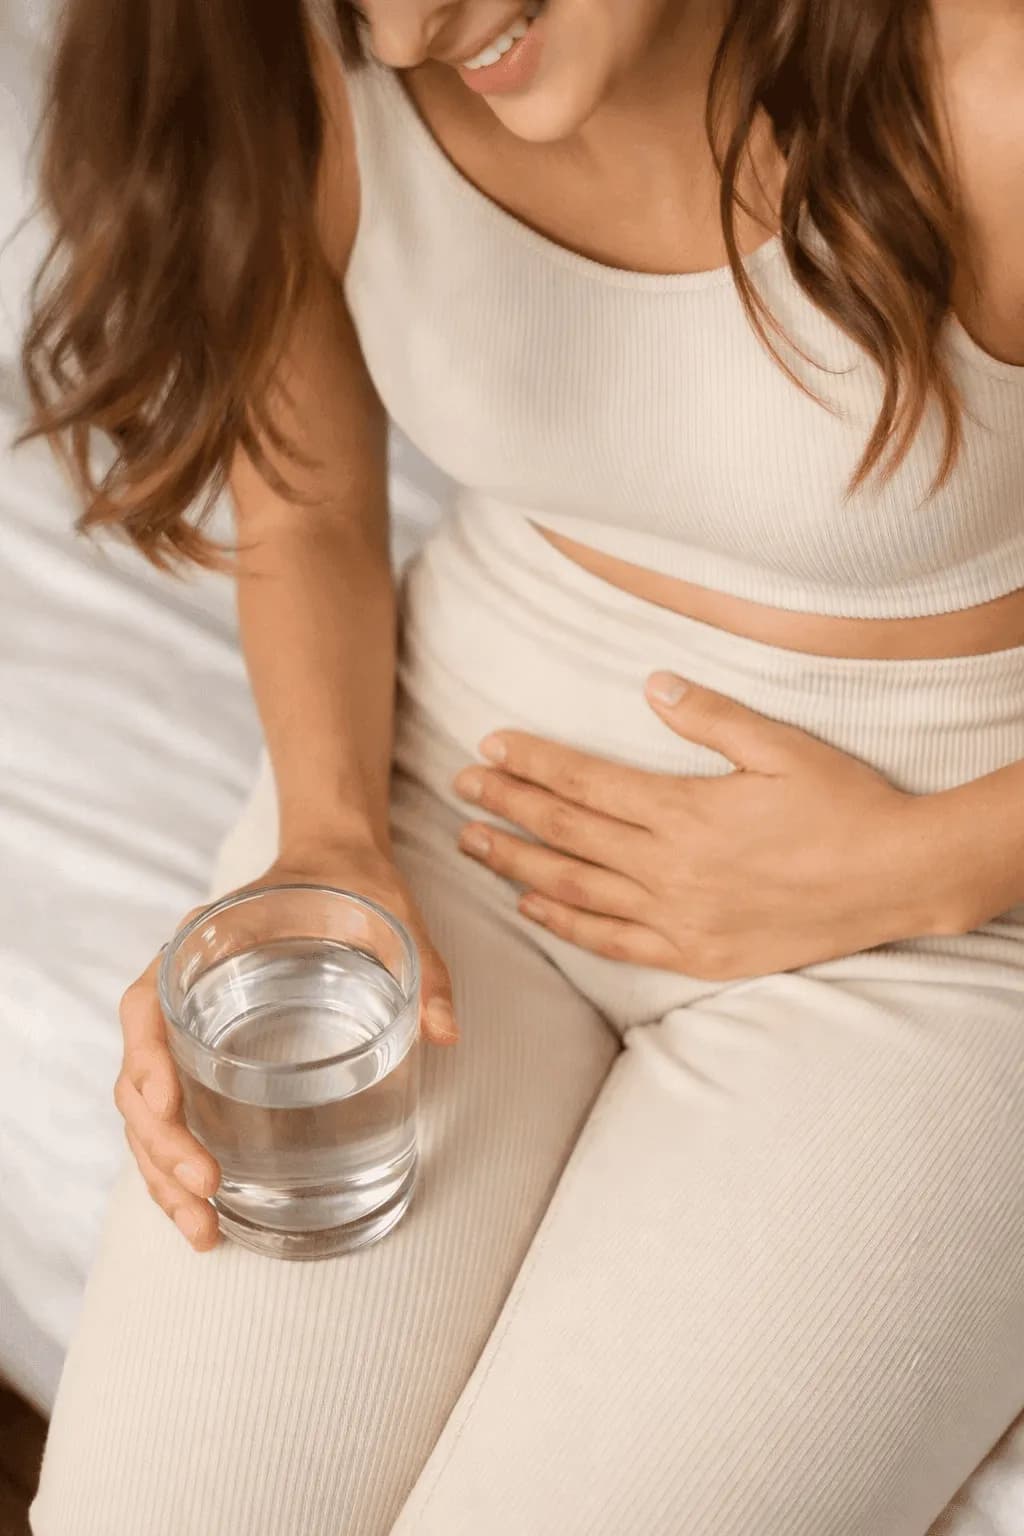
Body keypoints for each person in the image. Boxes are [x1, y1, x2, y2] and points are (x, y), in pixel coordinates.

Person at [18, 0, 1024, 1531]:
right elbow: (305, 510)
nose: (412, 36)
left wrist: (927, 863)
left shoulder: (987, 78)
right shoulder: (296, 51)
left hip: (938, 914)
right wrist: (330, 836)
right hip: (453, 798)